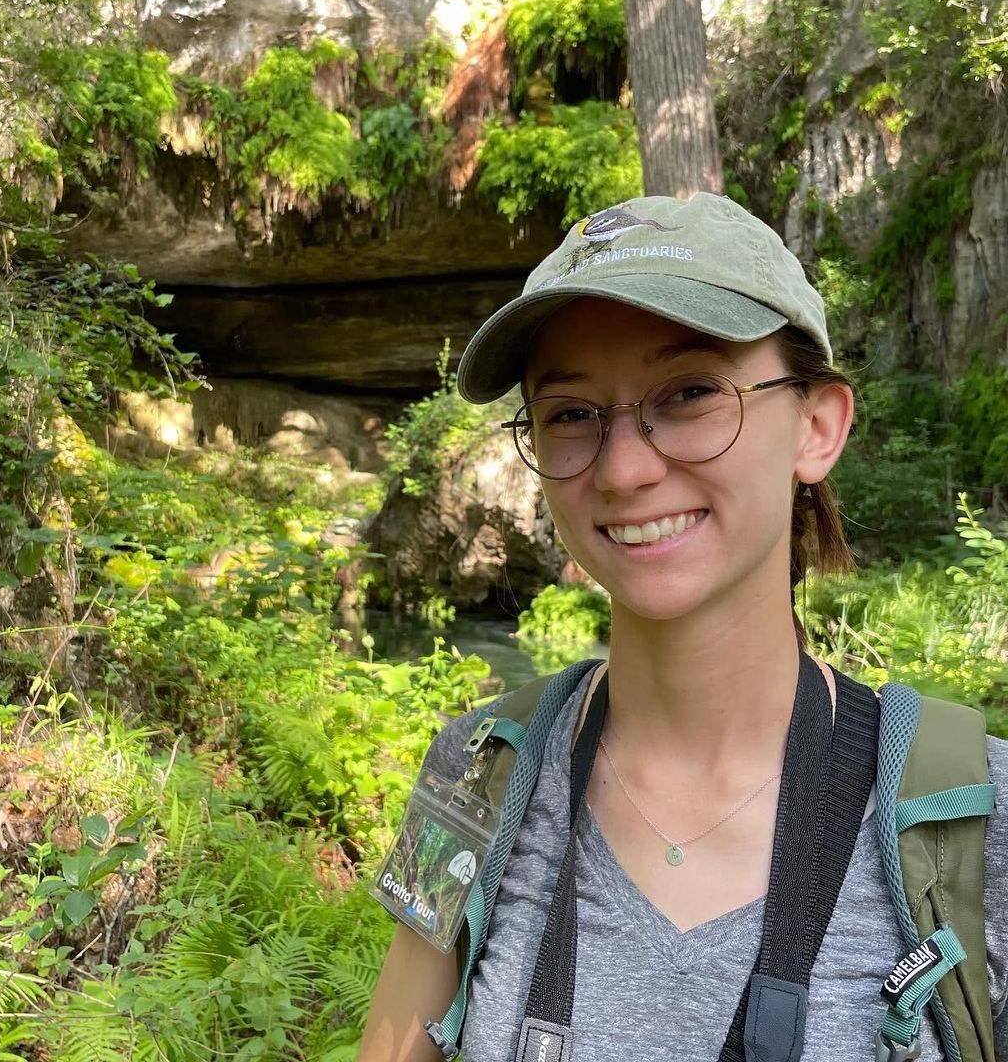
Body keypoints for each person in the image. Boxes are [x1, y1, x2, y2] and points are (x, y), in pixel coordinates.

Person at [357, 192, 1008, 1062]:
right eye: (571, 415)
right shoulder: (473, 771)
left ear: (818, 426)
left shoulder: (979, 818)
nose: (624, 469)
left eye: (692, 392)